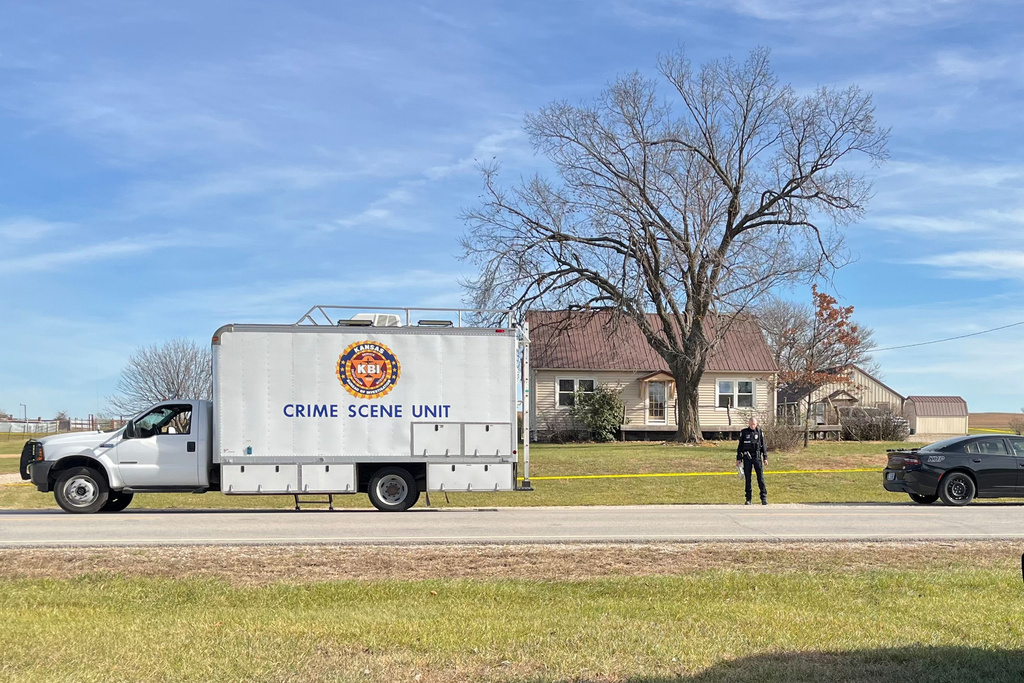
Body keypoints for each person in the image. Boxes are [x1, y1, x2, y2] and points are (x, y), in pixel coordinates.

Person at [736, 417, 768, 505]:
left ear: (756, 424)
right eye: (751, 424)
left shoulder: (759, 432)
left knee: (760, 478)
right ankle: (748, 498)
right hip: (747, 458)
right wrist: (738, 458)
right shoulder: (744, 432)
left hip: (757, 457)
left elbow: (763, 446)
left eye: (754, 424)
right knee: (748, 479)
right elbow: (740, 446)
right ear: (749, 424)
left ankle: (763, 497)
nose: (752, 426)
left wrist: (765, 458)